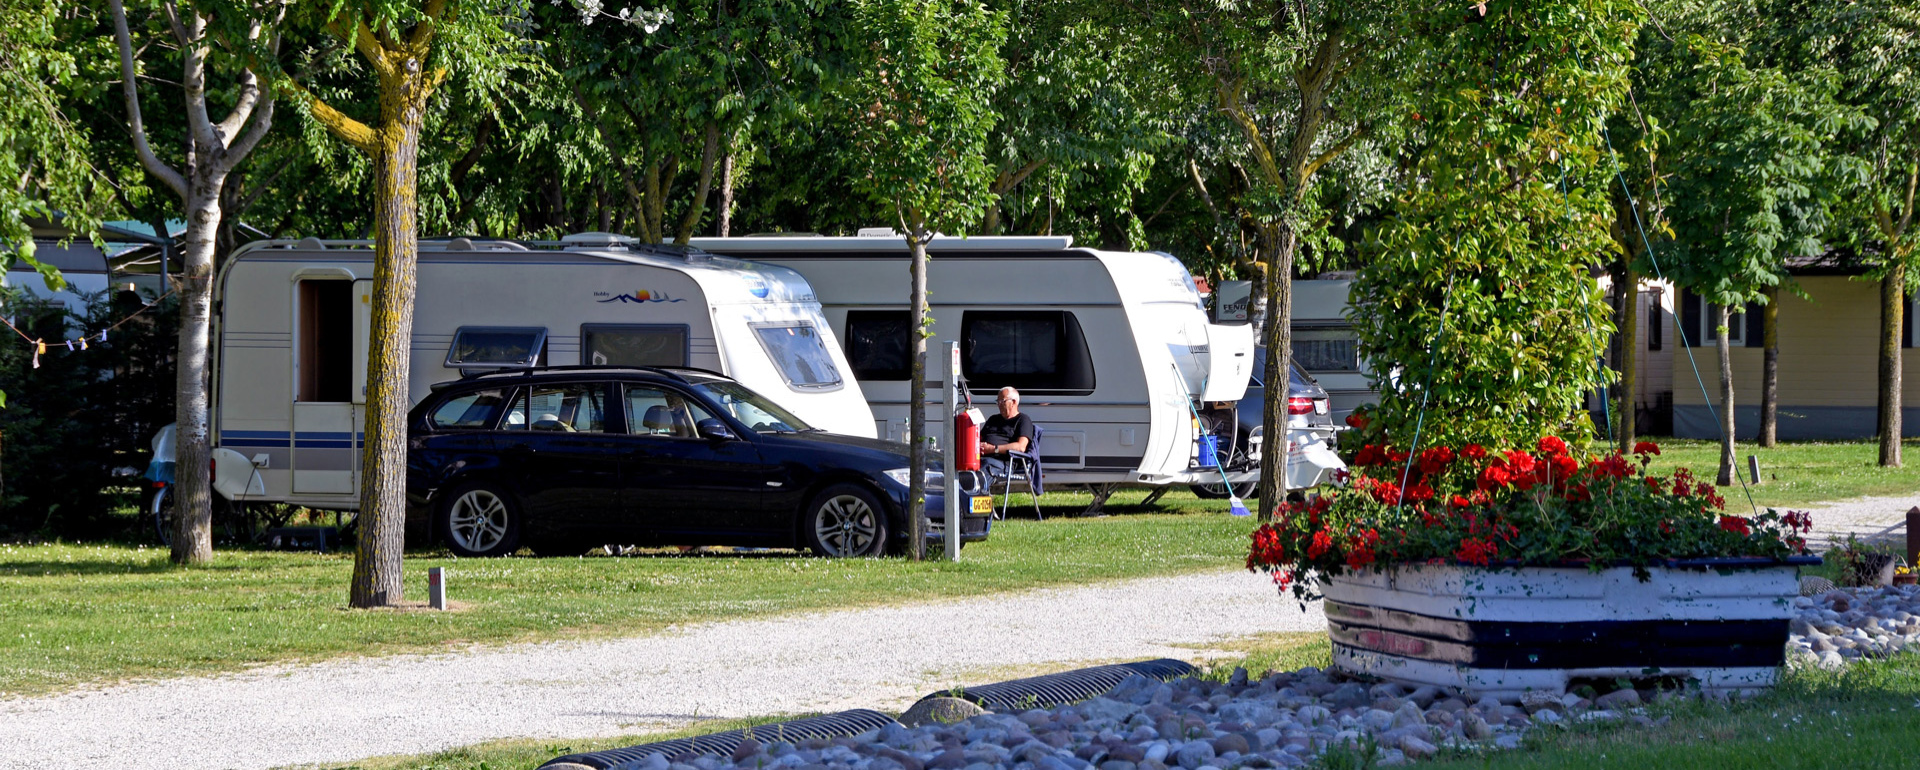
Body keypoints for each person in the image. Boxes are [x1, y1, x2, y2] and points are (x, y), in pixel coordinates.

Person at [977, 386, 1036, 480]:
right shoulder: (993, 419)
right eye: (998, 401)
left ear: (1014, 402)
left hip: (1003, 462)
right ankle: (957, 493)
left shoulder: (1023, 420)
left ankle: (974, 493)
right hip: (981, 458)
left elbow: (1021, 447)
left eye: (1002, 401)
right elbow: (978, 438)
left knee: (983, 469)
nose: (999, 404)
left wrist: (993, 449)